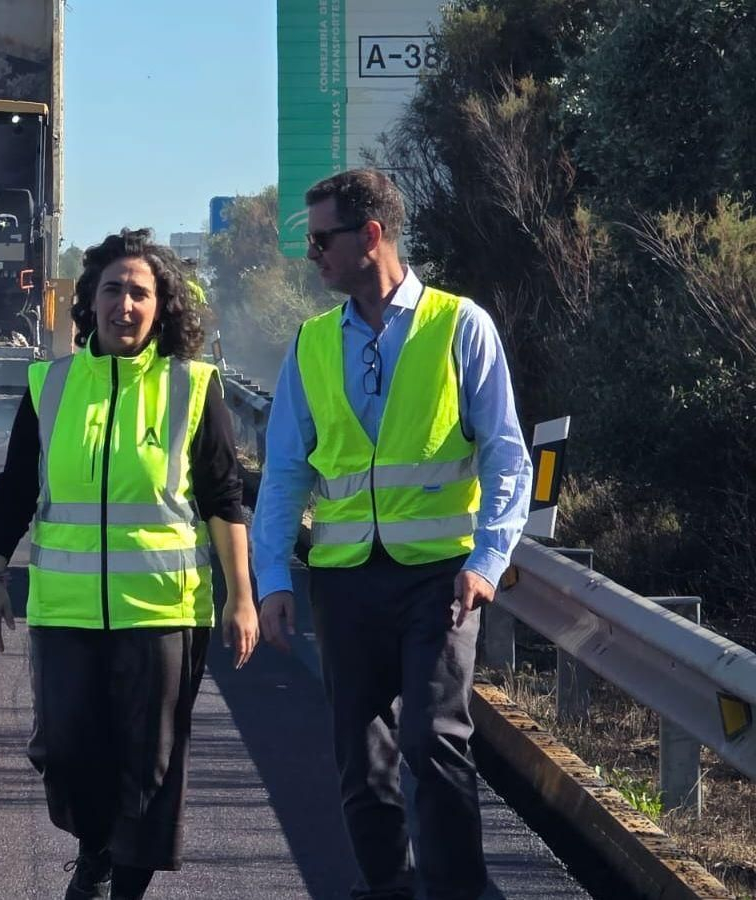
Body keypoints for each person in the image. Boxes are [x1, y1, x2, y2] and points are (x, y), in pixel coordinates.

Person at [252, 168, 532, 900]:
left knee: (432, 741)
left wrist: (489, 561)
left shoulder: (459, 324)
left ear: (370, 236)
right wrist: (273, 579)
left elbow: (507, 453)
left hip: (438, 578)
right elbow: (284, 471)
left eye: (321, 240)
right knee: (361, 755)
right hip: (343, 583)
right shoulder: (312, 344)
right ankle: (386, 890)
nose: (312, 255)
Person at [0, 228, 258, 900]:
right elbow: (15, 489)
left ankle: (119, 887)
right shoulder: (50, 384)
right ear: (89, 300)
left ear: (163, 306)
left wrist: (241, 596)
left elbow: (224, 500)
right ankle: (95, 848)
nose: (124, 305)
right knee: (68, 754)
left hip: (163, 612)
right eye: (112, 290)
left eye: (140, 292)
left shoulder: (192, 387)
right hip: (65, 612)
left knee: (150, 766)